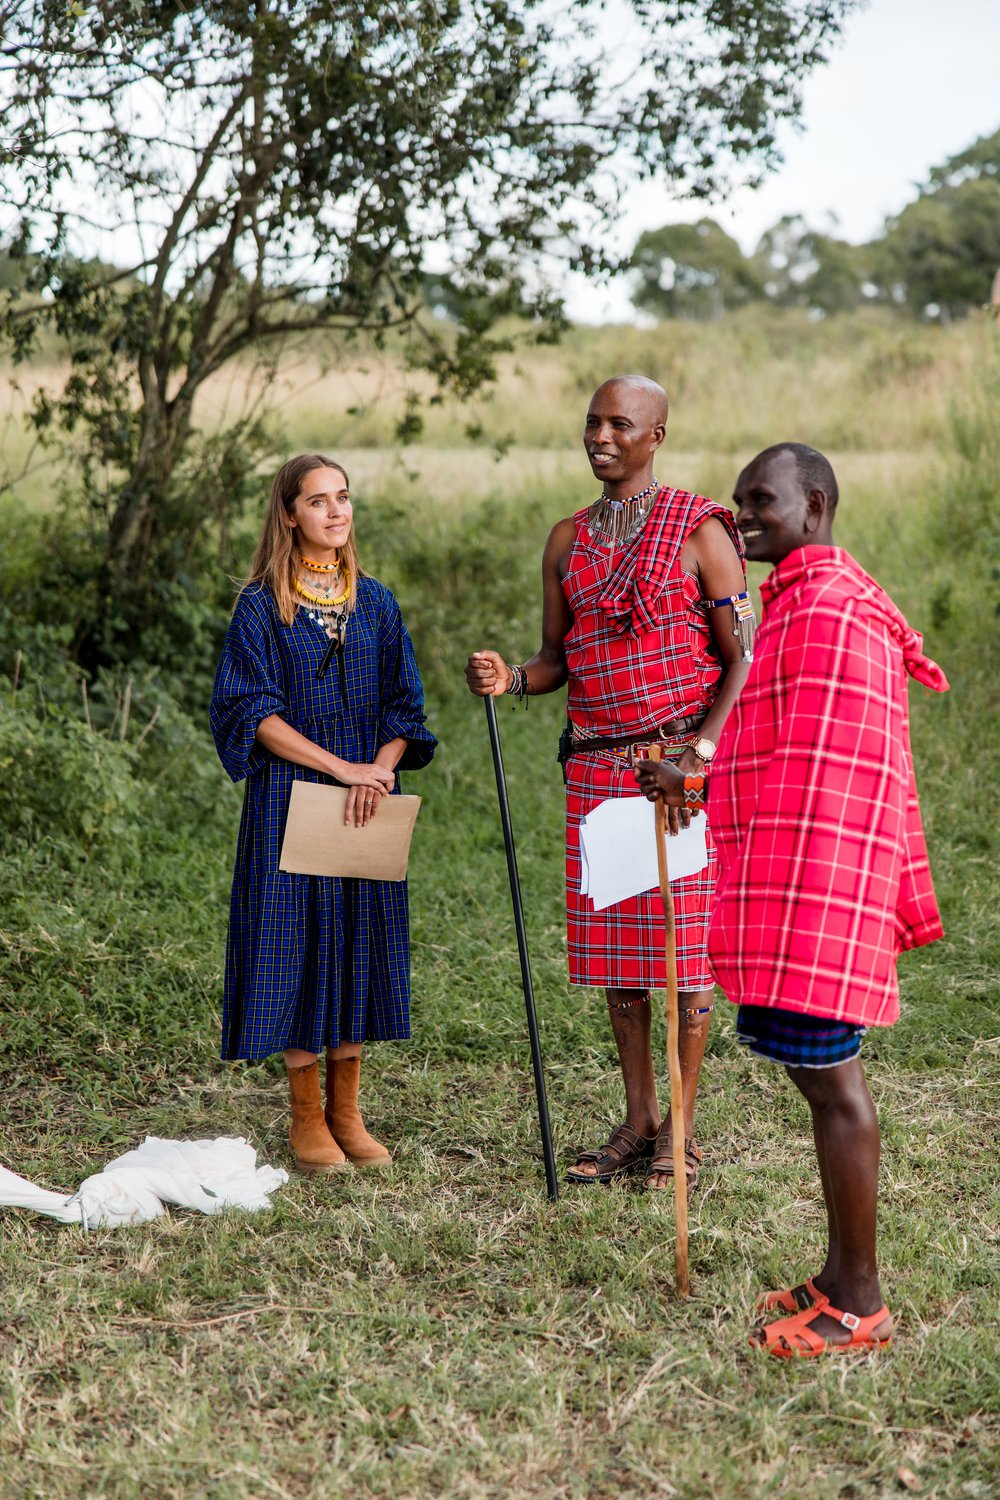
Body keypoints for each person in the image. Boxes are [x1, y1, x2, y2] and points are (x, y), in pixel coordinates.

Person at [637, 442, 948, 1354]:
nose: (743, 516)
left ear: (814, 505)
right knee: (822, 1084)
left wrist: (692, 776)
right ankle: (836, 1277)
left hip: (825, 885)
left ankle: (860, 1303)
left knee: (834, 1086)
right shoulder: (806, 600)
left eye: (761, 500)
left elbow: (827, 770)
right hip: (811, 879)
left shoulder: (832, 612)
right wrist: (693, 773)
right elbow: (771, 748)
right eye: (737, 502)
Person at [466, 376, 752, 1191]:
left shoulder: (701, 530)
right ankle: (639, 1118)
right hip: (599, 766)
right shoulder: (568, 540)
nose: (600, 435)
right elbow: (557, 660)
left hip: (677, 769)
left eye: (619, 424)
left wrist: (696, 757)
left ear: (654, 436)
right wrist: (510, 678)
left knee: (685, 955)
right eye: (593, 421)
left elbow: (742, 660)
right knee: (623, 960)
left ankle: (683, 1133)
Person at [211, 454, 436, 1174]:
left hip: (370, 793)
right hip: (293, 794)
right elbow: (253, 711)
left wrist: (382, 768)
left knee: (359, 939)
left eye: (344, 498)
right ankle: (306, 1117)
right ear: (289, 515)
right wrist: (341, 768)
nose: (336, 512)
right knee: (296, 942)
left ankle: (348, 1110)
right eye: (318, 501)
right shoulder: (260, 605)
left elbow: (406, 706)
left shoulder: (376, 602)